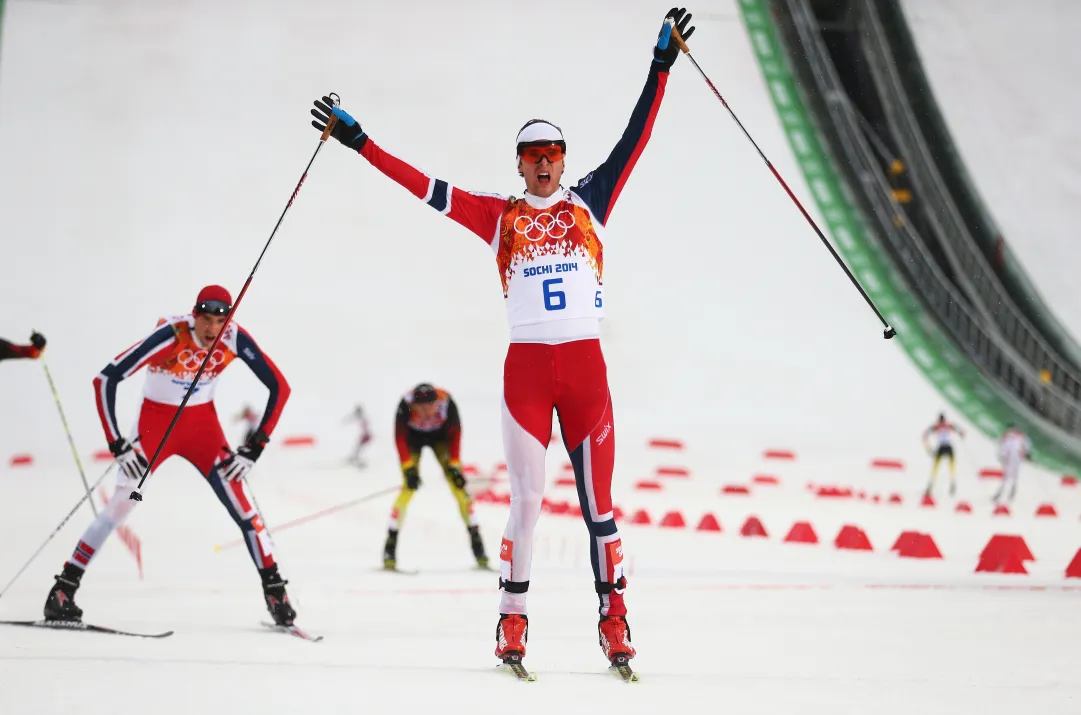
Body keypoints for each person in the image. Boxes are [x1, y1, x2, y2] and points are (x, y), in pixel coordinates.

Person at [310, 6, 695, 669]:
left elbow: (637, 136)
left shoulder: (590, 200)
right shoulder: (499, 214)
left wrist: (660, 64)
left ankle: (613, 617)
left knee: (600, 508)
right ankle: (512, 620)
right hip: (525, 371)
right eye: (532, 158)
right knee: (526, 504)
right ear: (518, 163)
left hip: (583, 370)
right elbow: (424, 189)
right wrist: (359, 142)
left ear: (563, 160)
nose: (543, 167)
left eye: (551, 157)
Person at [43, 286, 297, 626]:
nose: (211, 330)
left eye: (219, 322)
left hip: (204, 433)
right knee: (125, 502)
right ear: (194, 315)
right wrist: (117, 443)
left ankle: (276, 593)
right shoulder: (172, 335)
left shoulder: (234, 337)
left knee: (244, 510)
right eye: (205, 320)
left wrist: (255, 447)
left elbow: (280, 387)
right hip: (155, 431)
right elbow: (105, 379)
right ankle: (63, 590)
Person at [383, 384, 488, 570]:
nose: (424, 412)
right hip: (412, 440)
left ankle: (479, 549)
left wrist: (455, 466)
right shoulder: (404, 405)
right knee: (408, 489)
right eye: (419, 407)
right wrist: (409, 469)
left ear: (436, 403)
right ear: (413, 405)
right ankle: (389, 549)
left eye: (428, 407)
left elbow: (456, 434)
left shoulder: (447, 403)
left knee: (459, 490)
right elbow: (399, 438)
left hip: (441, 440)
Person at [922, 413, 965, 497]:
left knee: (936, 467)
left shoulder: (937, 426)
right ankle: (952, 483)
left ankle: (931, 485)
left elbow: (926, 433)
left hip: (942, 447)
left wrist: (927, 447)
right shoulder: (947, 425)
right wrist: (961, 434)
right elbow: (958, 429)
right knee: (949, 466)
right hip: (947, 447)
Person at [994, 423, 1031, 504]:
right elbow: (1026, 446)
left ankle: (1004, 494)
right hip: (1014, 458)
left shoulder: (1008, 435)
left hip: (1011, 458)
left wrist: (1001, 456)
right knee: (1012, 476)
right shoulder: (1019, 435)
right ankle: (1009, 493)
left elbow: (1001, 445)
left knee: (1008, 477)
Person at [344, 403, 372, 468]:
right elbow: (353, 417)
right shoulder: (361, 417)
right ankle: (355, 458)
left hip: (366, 436)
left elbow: (366, 427)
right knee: (358, 448)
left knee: (358, 449)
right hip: (365, 436)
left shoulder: (363, 418)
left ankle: (358, 461)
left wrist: (364, 435)